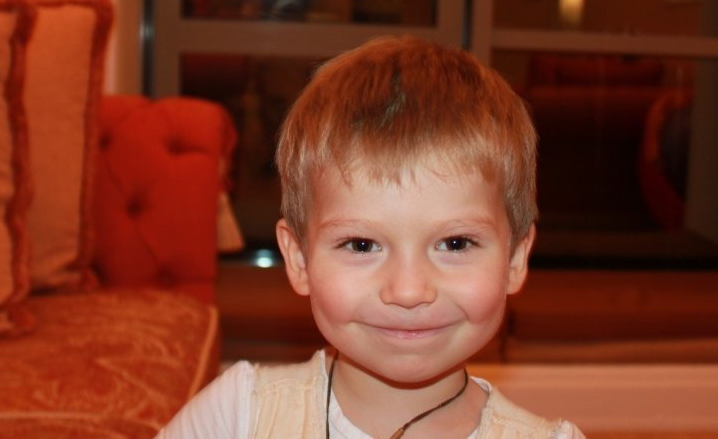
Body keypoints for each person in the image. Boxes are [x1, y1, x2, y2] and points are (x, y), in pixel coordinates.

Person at [157, 36, 585, 438]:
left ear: (514, 259)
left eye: (455, 244)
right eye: (362, 245)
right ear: (299, 258)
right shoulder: (238, 416)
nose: (409, 291)